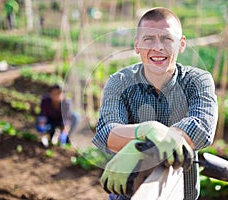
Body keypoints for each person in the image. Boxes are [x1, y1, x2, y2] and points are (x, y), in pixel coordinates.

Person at [92, 7, 218, 200]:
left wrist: (143, 148)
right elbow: (106, 133)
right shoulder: (119, 82)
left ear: (181, 44)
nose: (158, 47)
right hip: (129, 195)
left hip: (181, 193)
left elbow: (201, 129)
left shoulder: (198, 80)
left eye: (167, 39)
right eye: (148, 39)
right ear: (137, 45)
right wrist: (146, 129)